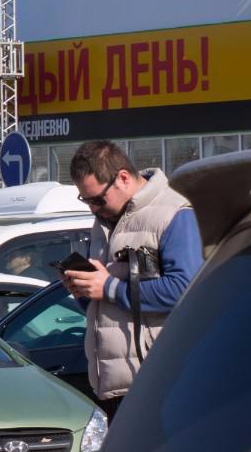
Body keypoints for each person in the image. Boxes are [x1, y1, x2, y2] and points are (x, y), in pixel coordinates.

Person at [62, 139, 202, 420]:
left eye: (97, 199)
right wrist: (85, 292)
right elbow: (108, 302)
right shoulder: (104, 221)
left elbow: (185, 289)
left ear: (123, 178)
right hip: (113, 385)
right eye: (86, 201)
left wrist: (110, 288)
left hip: (160, 383)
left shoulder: (173, 212)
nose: (93, 209)